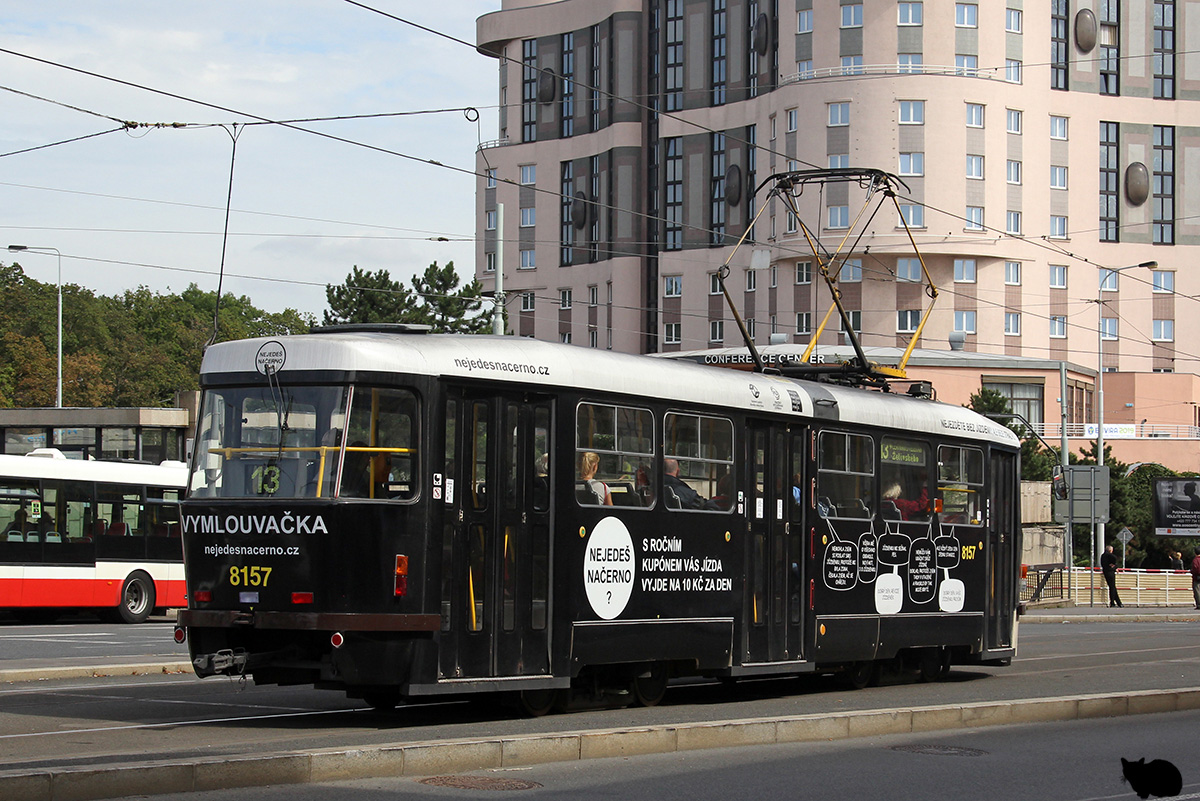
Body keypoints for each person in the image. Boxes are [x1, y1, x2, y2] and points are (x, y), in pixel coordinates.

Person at [1101, 544, 1123, 608]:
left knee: (1112, 587)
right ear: (1110, 550)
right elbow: (1114, 558)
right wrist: (1114, 566)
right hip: (1110, 572)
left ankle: (1119, 603)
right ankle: (1112, 602)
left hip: (1105, 572)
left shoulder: (1103, 556)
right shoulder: (1110, 555)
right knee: (1112, 587)